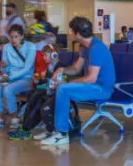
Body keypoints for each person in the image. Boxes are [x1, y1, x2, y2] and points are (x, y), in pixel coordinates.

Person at [42, 16, 116, 150]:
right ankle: (53, 129)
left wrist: (67, 83)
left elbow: (91, 78)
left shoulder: (97, 48)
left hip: (102, 89)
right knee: (61, 88)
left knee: (63, 89)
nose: (70, 33)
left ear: (78, 33)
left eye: (72, 31)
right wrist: (62, 69)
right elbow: (76, 68)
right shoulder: (85, 47)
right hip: (94, 86)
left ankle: (61, 134)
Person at [8, 42, 60, 141]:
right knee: (33, 96)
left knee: (37, 98)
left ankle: (26, 129)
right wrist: (38, 78)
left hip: (56, 94)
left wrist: (44, 82)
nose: (43, 57)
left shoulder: (60, 67)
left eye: (45, 55)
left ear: (54, 54)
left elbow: (59, 84)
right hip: (48, 92)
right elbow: (44, 78)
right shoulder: (49, 67)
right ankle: (24, 127)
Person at [0, 24, 36, 129]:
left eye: (16, 37)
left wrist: (9, 78)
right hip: (11, 78)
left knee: (8, 90)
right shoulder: (6, 47)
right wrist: (4, 68)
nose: (13, 40)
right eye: (11, 37)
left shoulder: (31, 47)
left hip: (26, 79)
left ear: (22, 36)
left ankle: (15, 117)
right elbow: (6, 69)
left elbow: (27, 68)